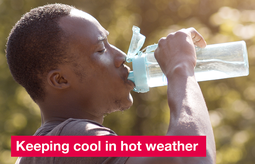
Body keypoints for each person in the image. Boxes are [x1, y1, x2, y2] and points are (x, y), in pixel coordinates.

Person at [6, 3, 216, 164]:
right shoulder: (69, 139)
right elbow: (191, 155)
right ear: (60, 79)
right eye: (100, 50)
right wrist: (181, 68)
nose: (122, 56)